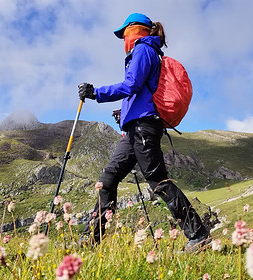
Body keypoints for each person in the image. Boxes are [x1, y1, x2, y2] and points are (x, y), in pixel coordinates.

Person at [78, 13, 209, 252]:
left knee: (158, 181)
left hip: (143, 128)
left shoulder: (143, 49)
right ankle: (90, 241)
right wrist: (125, 113)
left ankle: (198, 235)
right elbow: (138, 92)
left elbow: (132, 85)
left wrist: (96, 93)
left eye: (124, 34)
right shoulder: (145, 51)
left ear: (135, 30)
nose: (123, 40)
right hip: (134, 129)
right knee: (108, 179)